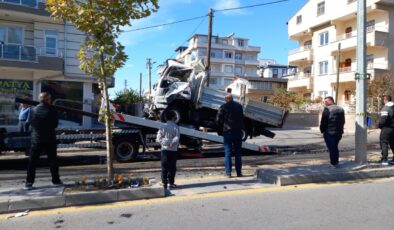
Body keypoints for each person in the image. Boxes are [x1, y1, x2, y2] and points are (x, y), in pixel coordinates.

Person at [25, 92, 62, 190]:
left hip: (36, 139)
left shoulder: (33, 109)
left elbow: (30, 123)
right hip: (50, 139)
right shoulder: (52, 110)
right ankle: (56, 180)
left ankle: (29, 182)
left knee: (32, 161)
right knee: (52, 160)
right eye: (50, 99)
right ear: (48, 100)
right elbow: (55, 124)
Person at [216, 93, 244, 177]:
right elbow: (242, 118)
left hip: (227, 132)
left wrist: (220, 130)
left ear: (226, 99)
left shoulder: (223, 107)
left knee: (228, 153)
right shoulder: (239, 106)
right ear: (232, 99)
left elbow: (218, 120)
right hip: (238, 132)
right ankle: (239, 172)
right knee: (238, 153)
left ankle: (228, 173)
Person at [156, 110, 180, 190]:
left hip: (164, 150)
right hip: (173, 150)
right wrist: (171, 143)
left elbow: (158, 138)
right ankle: (171, 183)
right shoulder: (176, 127)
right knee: (172, 167)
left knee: (164, 167)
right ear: (174, 117)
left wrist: (164, 143)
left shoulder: (163, 126)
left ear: (166, 118)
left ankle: (164, 184)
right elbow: (177, 138)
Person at [320, 96, 345, 168]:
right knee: (335, 147)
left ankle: (334, 163)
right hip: (339, 132)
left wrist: (322, 130)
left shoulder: (327, 109)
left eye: (326, 101)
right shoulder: (341, 109)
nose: (325, 103)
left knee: (332, 148)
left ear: (331, 101)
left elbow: (324, 121)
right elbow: (343, 121)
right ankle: (336, 162)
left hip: (329, 132)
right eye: (324, 102)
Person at [378, 95, 394, 166]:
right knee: (393, 143)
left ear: (385, 100)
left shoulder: (385, 108)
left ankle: (385, 159)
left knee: (384, 143)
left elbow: (383, 120)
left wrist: (380, 126)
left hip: (386, 128)